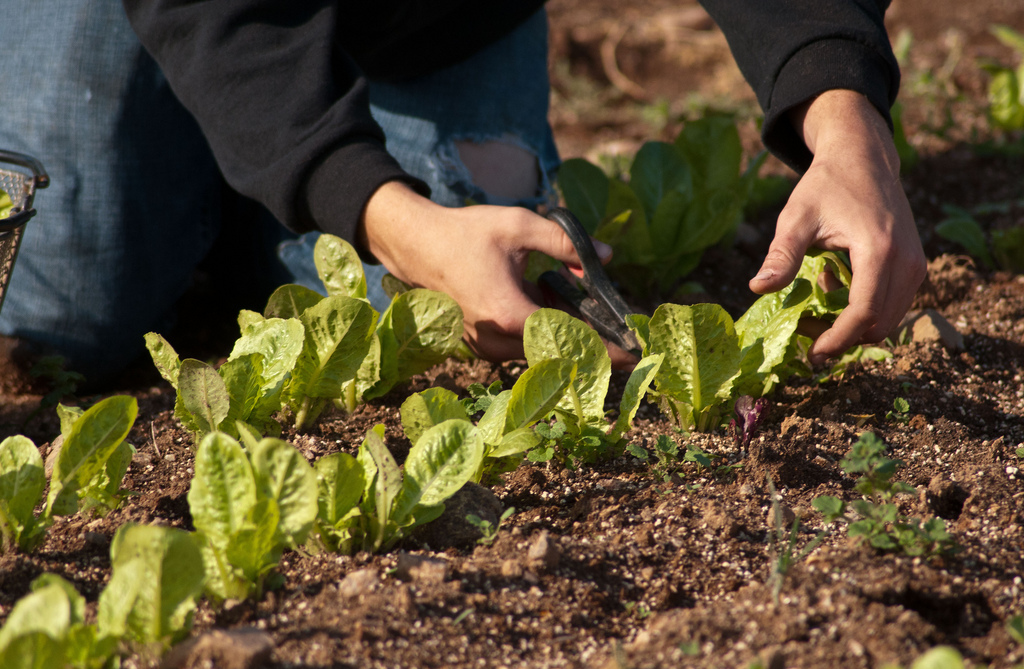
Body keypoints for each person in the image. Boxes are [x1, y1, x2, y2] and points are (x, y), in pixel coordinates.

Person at [0, 0, 925, 384]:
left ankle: (248, 171)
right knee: (71, 304)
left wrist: (845, 120)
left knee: (441, 311)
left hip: (424, 24)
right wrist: (374, 203)